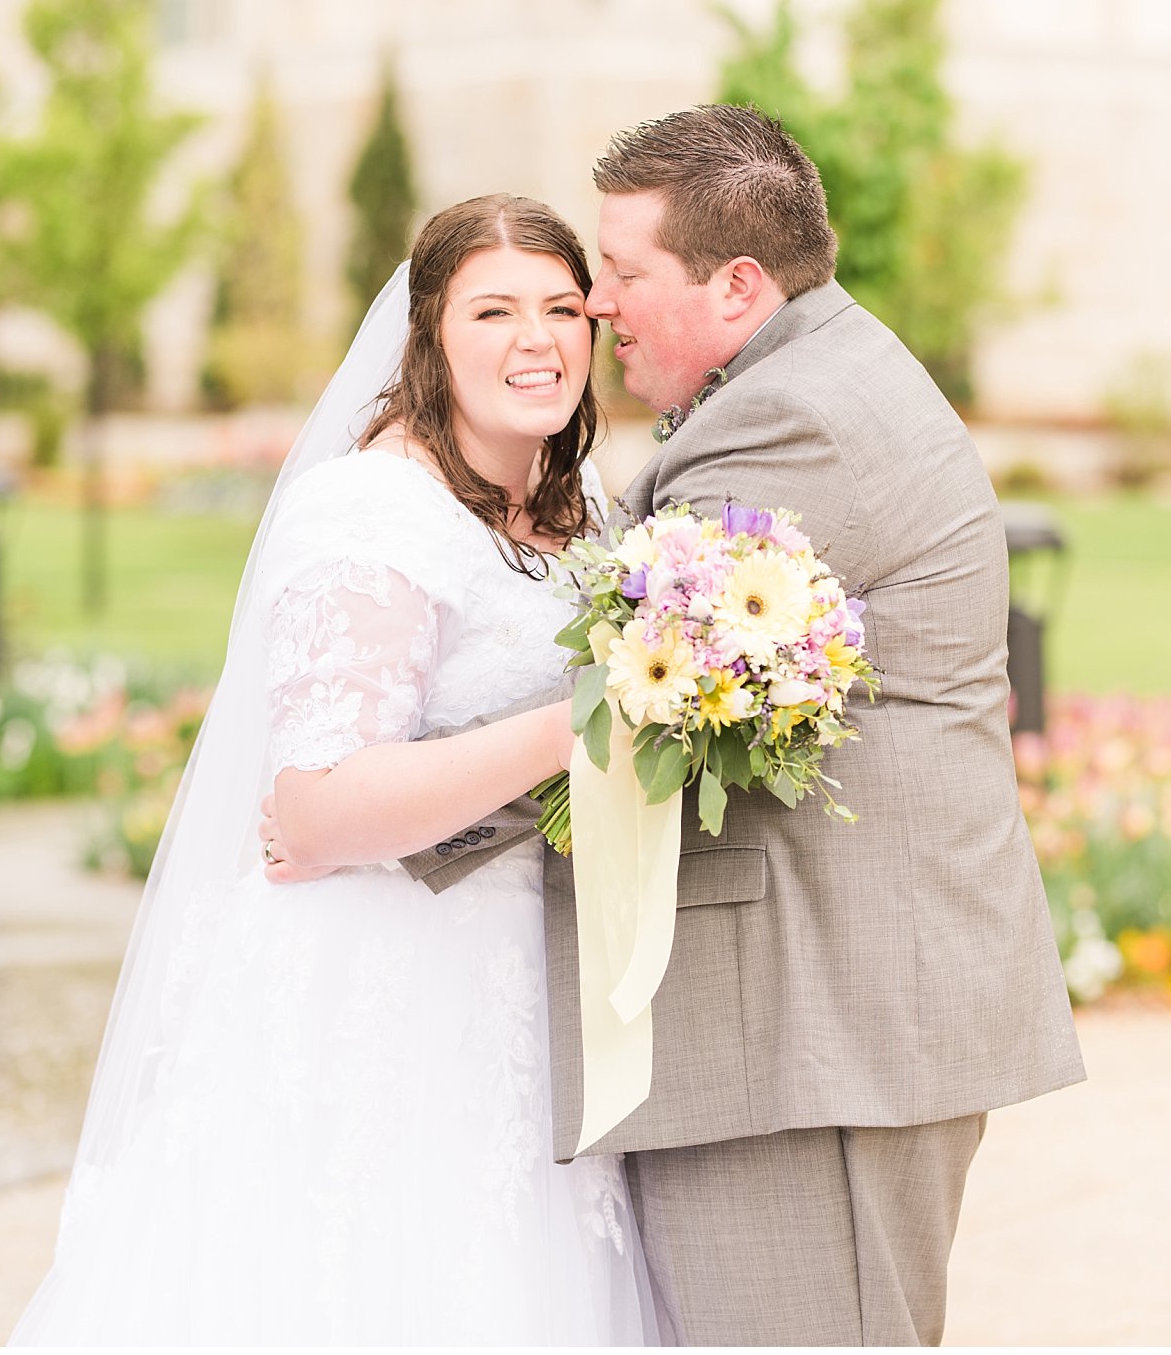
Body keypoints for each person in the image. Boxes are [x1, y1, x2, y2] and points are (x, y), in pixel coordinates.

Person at [390, 105, 1087, 1346]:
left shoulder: (794, 419)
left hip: (823, 1029)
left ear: (738, 285)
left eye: (622, 274)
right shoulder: (801, 379)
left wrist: (383, 813)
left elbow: (640, 688)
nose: (597, 306)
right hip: (815, 1021)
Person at [10, 195, 658, 1345]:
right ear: (427, 335)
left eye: (563, 308)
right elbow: (314, 811)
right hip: (384, 989)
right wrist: (584, 719)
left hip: (527, 984)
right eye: (494, 309)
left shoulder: (585, 511)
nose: (538, 339)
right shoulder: (372, 509)